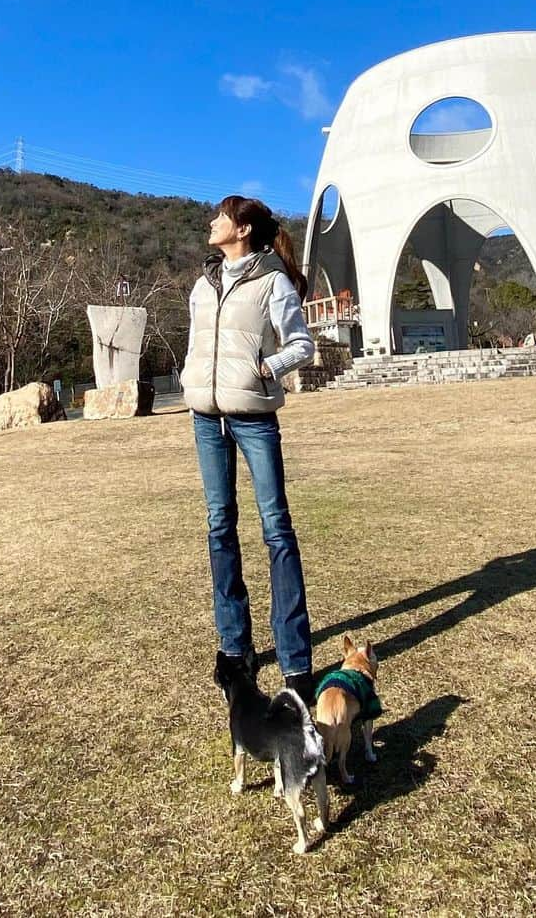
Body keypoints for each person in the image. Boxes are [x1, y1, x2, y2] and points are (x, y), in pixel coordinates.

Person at [181, 195, 317, 703]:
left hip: (254, 418)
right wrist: (192, 377)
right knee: (219, 524)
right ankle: (235, 648)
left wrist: (266, 368)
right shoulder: (203, 283)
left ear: (242, 228)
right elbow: (199, 343)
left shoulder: (272, 280)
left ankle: (295, 660)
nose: (212, 223)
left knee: (275, 527)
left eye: (220, 216)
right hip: (204, 417)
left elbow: (301, 344)